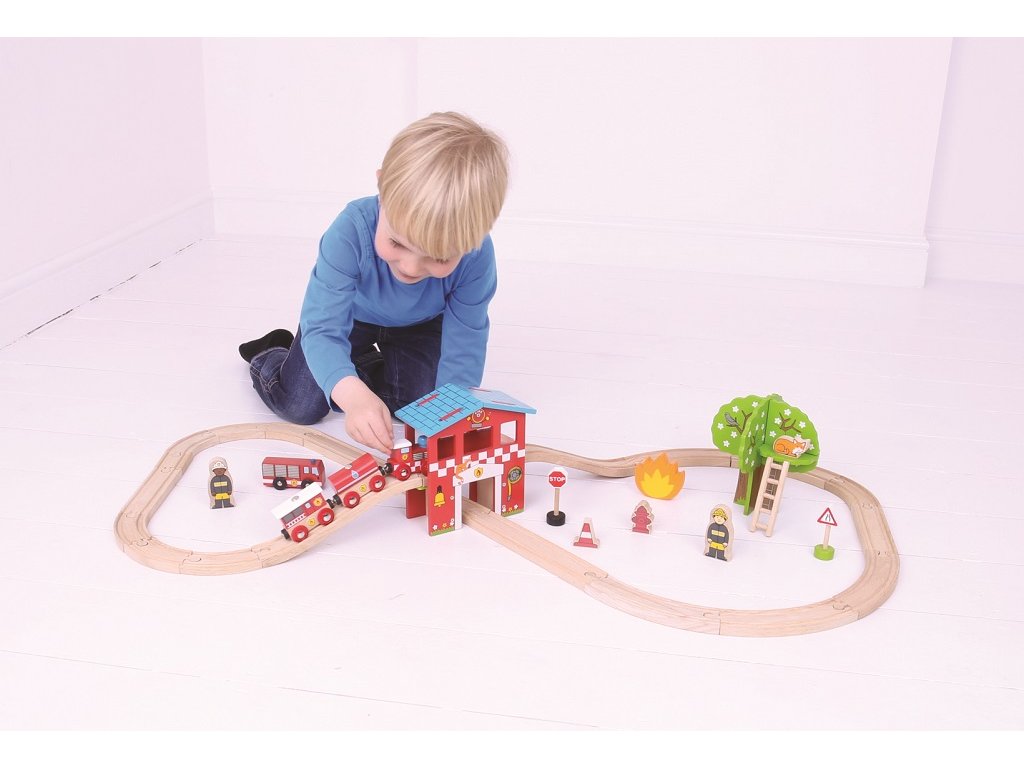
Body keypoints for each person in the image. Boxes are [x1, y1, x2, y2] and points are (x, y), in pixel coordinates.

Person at [239, 112, 510, 454]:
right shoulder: (350, 231)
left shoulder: (476, 255)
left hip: (422, 327)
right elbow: (323, 327)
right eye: (397, 243)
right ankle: (274, 354)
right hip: (347, 321)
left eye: (439, 258)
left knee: (420, 406)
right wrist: (352, 396)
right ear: (382, 187)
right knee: (300, 404)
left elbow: (465, 345)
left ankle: (360, 365)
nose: (410, 267)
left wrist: (452, 420)